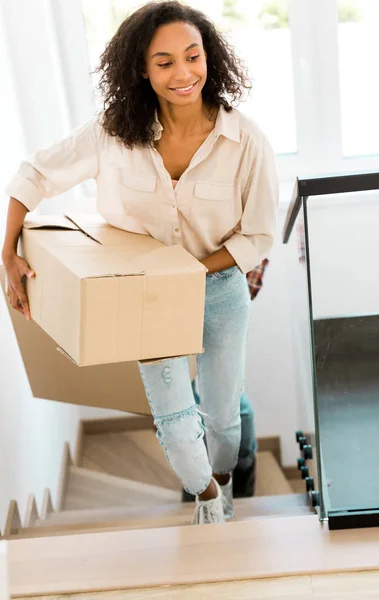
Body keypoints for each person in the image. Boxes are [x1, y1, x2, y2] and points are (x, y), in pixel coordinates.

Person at [2, 1, 279, 525]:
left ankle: (223, 481)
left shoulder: (246, 140)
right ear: (142, 70)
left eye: (192, 57)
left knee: (221, 415)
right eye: (165, 62)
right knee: (175, 419)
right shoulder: (113, 132)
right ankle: (205, 503)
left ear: (209, 58)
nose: (183, 74)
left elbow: (258, 233)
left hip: (220, 287)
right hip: (147, 296)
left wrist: (192, 273)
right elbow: (34, 174)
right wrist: (6, 252)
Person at [182, 258, 270, 502]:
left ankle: (230, 488)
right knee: (187, 415)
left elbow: (252, 262)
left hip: (218, 297)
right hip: (177, 304)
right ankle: (204, 491)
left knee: (228, 411)